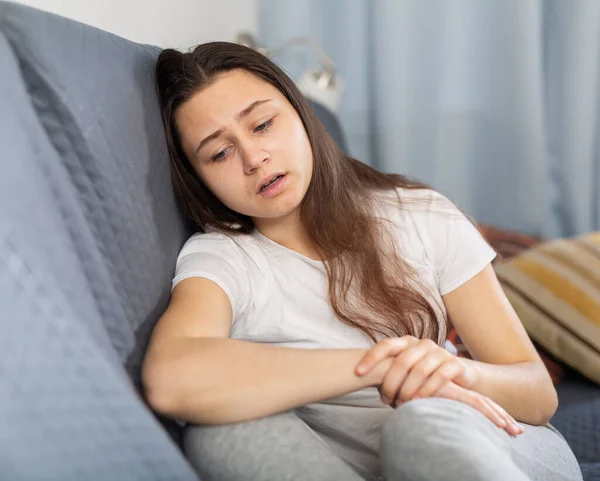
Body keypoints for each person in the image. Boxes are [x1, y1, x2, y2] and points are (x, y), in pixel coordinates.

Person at [142, 41, 582, 481]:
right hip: (348, 466)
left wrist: (456, 372)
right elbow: (172, 377)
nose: (254, 159)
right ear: (198, 178)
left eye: (262, 124)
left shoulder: (419, 214)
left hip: (494, 444)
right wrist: (376, 366)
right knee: (218, 433)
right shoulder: (225, 259)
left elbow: (537, 394)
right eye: (219, 153)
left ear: (300, 114)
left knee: (419, 425)